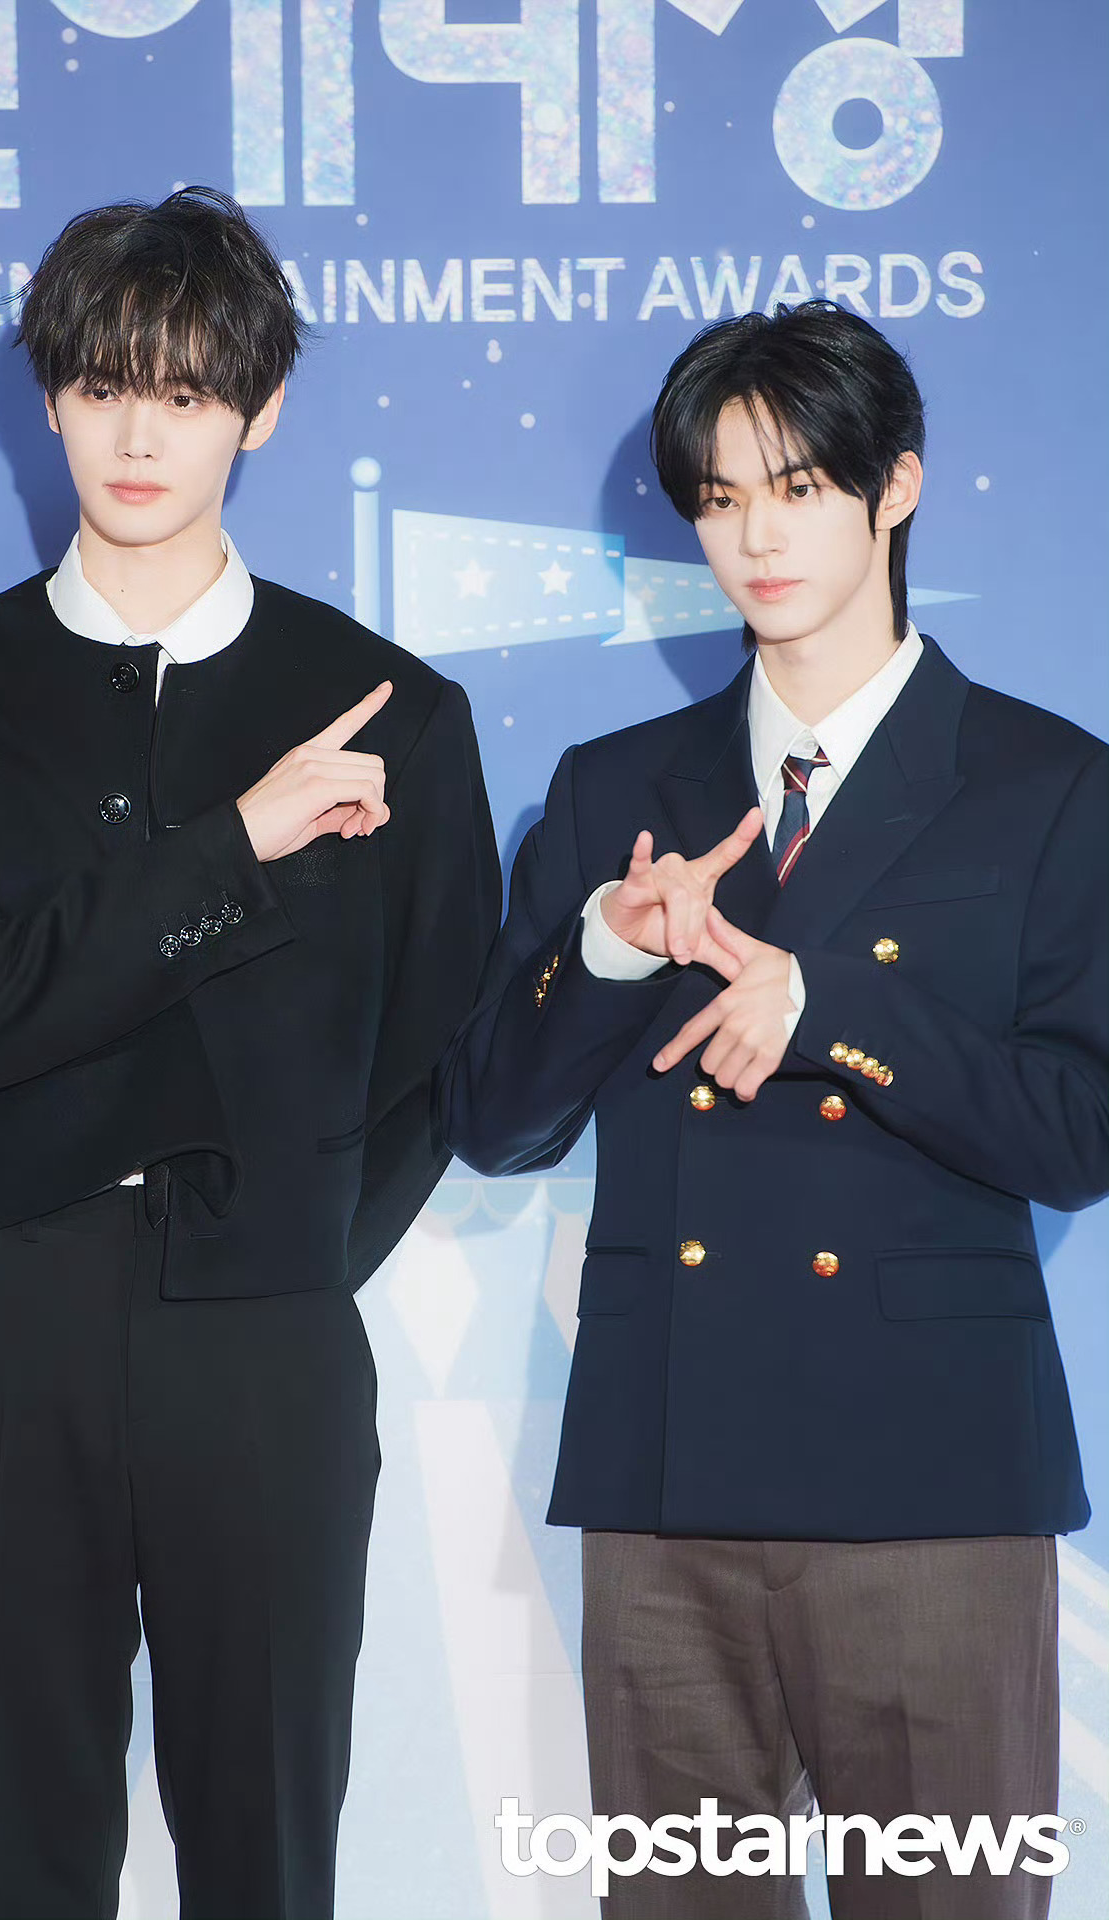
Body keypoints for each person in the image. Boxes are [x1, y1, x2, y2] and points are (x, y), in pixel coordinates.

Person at [0, 185, 500, 1920]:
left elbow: (434, 1050)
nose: (141, 436)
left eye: (190, 392)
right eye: (104, 386)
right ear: (49, 399)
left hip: (268, 1337)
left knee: (268, 1851)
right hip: (13, 1320)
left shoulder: (393, 712)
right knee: (23, 1856)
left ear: (260, 412)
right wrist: (235, 848)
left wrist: (290, 1249)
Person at [437, 300, 1108, 1918]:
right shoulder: (615, 790)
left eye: (800, 489)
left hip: (930, 1488)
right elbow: (496, 1123)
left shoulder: (1049, 785)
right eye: (722, 499)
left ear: (896, 489)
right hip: (669, 1484)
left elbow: (1077, 1135)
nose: (757, 538)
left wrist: (835, 1014)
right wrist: (609, 946)